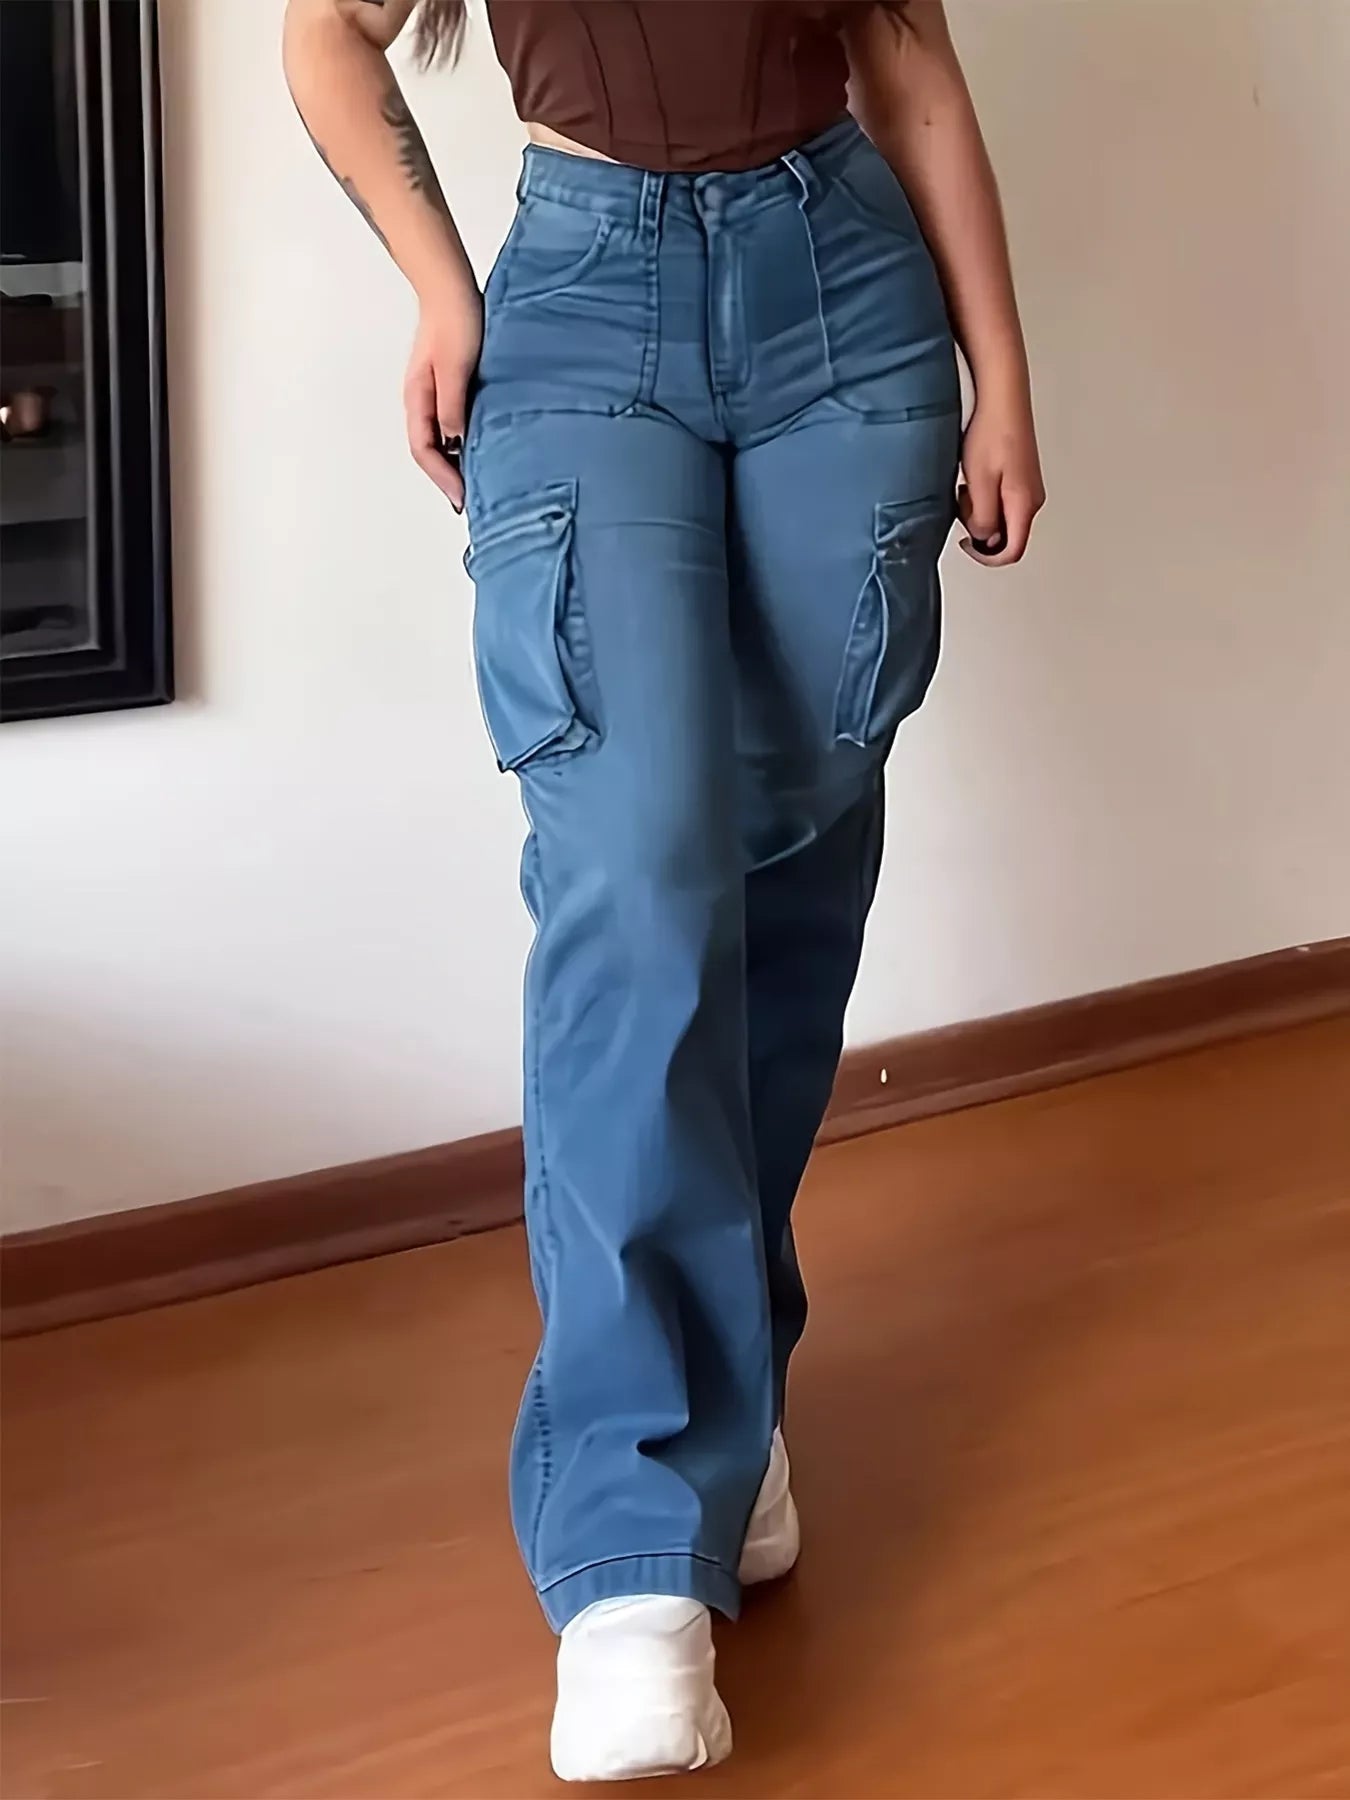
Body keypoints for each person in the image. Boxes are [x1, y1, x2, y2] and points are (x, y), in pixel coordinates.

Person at [284, 0, 1044, 1779]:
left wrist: (1002, 370)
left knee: (787, 868)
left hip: (844, 306)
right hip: (585, 301)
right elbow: (329, 31)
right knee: (638, 877)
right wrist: (440, 287)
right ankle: (632, 1545)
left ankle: (728, 1397)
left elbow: (909, 59)